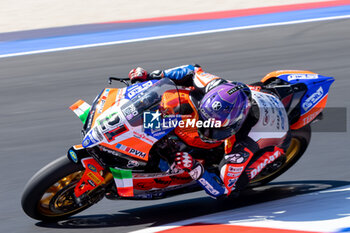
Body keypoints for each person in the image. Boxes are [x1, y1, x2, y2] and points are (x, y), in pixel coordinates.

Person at [128, 65, 291, 198]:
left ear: (235, 124)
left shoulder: (244, 144)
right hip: (256, 96)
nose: (206, 131)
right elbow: (191, 70)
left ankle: (262, 165)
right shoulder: (215, 85)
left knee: (234, 186)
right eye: (206, 122)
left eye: (214, 129)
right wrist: (153, 75)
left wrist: (193, 167)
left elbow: (221, 190)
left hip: (275, 140)